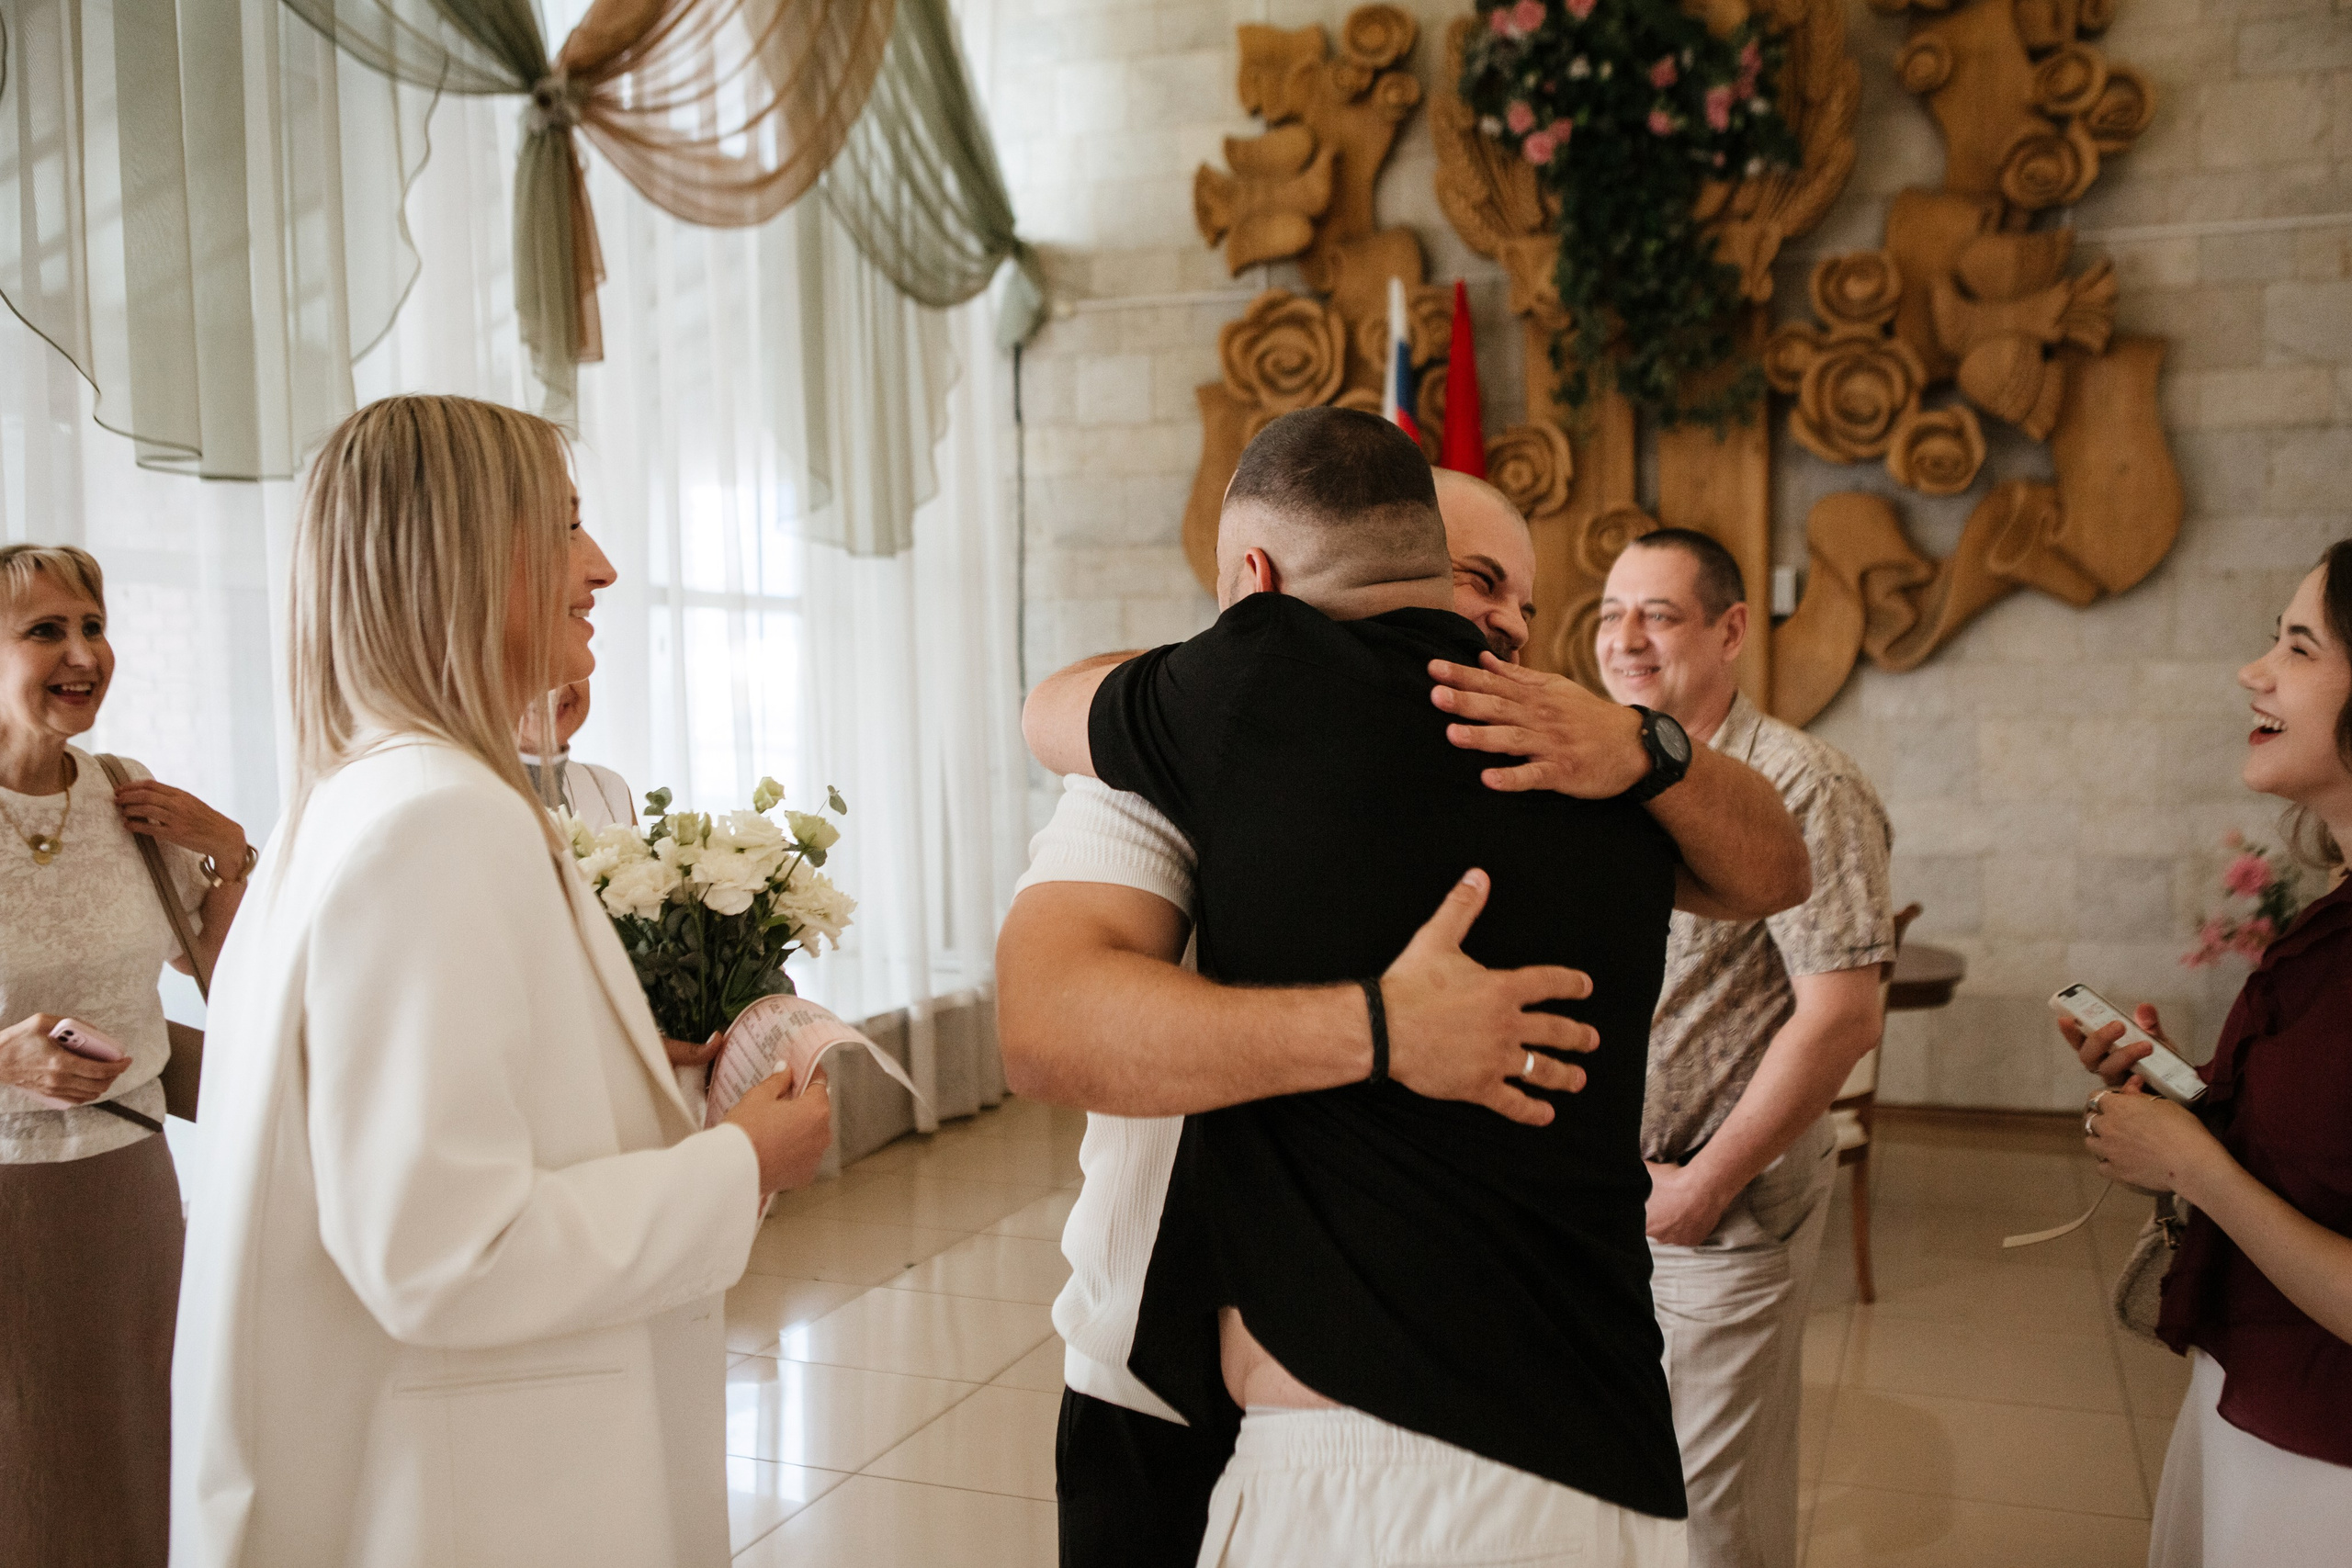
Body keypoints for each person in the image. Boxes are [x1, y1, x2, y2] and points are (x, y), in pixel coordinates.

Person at [1003, 468, 1810, 1568]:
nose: (1502, 623)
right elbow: (1051, 1023)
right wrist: (1383, 1030)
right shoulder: (1178, 743)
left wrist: (1643, 746)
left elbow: (1774, 869)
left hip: (1454, 1403)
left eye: (1524, 602)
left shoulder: (1555, 758)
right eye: (1470, 579)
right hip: (1153, 1356)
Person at [170, 395, 834, 1568]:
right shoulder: (435, 822)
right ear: (467, 557)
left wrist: (632, 1089)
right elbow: (442, 1254)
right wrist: (740, 1164)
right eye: (565, 525)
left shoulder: (363, 797)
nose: (602, 566)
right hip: (469, 1502)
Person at [1577, 530, 1892, 1568]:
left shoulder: (1802, 783)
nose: (1625, 639)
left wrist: (1705, 1186)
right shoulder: (1603, 775)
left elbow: (1842, 1016)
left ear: (1730, 630)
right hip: (1602, 1196)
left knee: (1705, 1518)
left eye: (1658, 615)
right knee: (1613, 1495)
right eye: (1611, 613)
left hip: (1715, 1205)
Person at [2065, 540, 2352, 1568]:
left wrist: (2195, 1167)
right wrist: (2191, 1103)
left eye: (2299, 648)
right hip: (2252, 1385)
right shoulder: (2330, 906)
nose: (2252, 671)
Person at [0, 544, 251, 1568]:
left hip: (128, 1186)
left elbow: (234, 991)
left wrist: (232, 857)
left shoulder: (128, 792)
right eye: (45, 630)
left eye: (93, 626)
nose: (83, 654)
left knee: (141, 1453)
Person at [520, 677, 635, 829]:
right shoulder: (487, 795)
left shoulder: (609, 787)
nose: (557, 691)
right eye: (530, 667)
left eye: (568, 667)